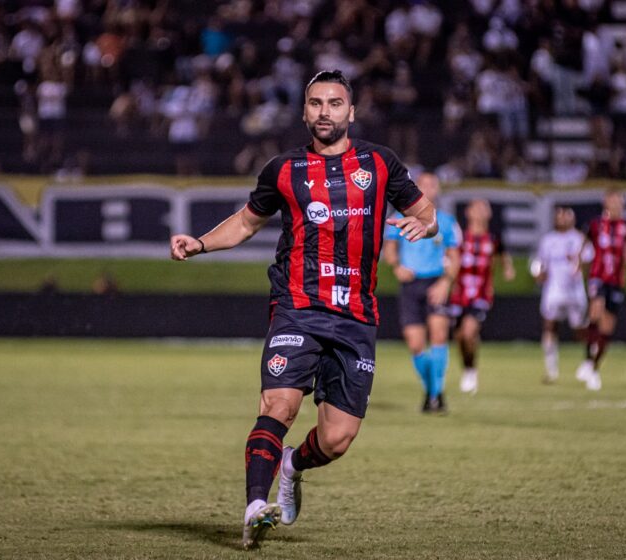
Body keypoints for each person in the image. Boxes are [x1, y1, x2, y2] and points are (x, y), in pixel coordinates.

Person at [169, 70, 437, 550]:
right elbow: (247, 223)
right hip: (297, 305)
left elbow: (426, 212)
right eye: (316, 103)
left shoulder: (379, 163)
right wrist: (201, 243)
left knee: (336, 439)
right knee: (279, 404)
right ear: (304, 111)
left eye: (335, 103)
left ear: (351, 111)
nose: (325, 112)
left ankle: (292, 465)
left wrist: (426, 226)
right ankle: (254, 507)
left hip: (356, 314)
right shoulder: (283, 170)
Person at [382, 172, 461, 413]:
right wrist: (397, 267)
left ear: (437, 190)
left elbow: (455, 257)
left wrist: (445, 283)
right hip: (410, 284)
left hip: (435, 282)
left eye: (432, 185)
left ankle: (436, 397)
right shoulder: (399, 217)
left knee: (438, 336)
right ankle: (431, 389)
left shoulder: (446, 222)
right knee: (416, 344)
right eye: (423, 185)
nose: (428, 189)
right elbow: (390, 249)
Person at [449, 199, 515, 394]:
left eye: (483, 208)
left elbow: (503, 257)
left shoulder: (493, 240)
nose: (479, 211)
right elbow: (450, 259)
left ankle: (471, 371)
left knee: (469, 332)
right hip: (459, 295)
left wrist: (507, 269)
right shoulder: (460, 239)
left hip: (481, 294)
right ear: (468, 212)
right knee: (460, 337)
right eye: (476, 208)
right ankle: (468, 367)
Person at [576, 189, 626, 390]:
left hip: (616, 281)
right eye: (614, 200)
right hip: (598, 278)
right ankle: (586, 360)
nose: (617, 204)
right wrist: (577, 263)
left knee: (607, 328)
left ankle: (594, 369)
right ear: (606, 202)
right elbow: (582, 246)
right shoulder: (594, 225)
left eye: (620, 200)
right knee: (596, 310)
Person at [531, 206, 589, 384]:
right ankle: (551, 369)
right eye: (559, 216)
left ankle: (589, 361)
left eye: (565, 216)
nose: (562, 219)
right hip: (553, 291)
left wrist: (581, 266)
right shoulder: (548, 240)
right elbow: (540, 264)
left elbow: (589, 261)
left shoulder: (580, 239)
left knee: (579, 329)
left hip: (574, 291)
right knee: (549, 326)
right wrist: (539, 274)